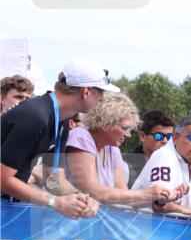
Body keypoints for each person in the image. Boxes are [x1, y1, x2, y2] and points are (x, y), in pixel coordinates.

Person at [0, 59, 113, 219]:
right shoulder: (35, 116)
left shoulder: (62, 121)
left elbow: (53, 179)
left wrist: (83, 198)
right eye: (101, 91)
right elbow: (2, 181)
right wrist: (56, 202)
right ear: (86, 91)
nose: (102, 98)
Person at [65, 93, 172, 207]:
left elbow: (123, 192)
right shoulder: (80, 137)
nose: (128, 135)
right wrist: (144, 194)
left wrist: (162, 197)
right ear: (105, 123)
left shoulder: (112, 148)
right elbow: (93, 191)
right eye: (125, 128)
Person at [132, 116, 191, 219]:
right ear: (175, 138)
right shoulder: (165, 156)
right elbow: (158, 203)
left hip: (168, 229)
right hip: (143, 227)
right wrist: (183, 211)